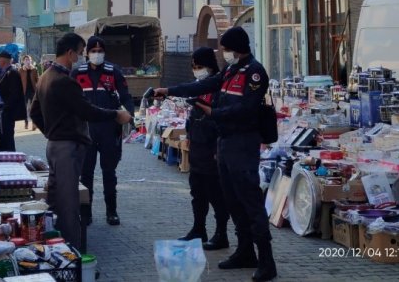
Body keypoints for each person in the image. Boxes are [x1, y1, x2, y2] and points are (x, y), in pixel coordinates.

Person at [153, 26, 276, 282]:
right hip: (225, 141)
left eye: (227, 49)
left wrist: (213, 113)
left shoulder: (254, 73)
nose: (224, 53)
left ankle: (266, 260)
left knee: (250, 201)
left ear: (237, 48)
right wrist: (170, 90)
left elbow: (246, 108)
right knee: (232, 200)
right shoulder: (231, 70)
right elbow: (207, 84)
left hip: (243, 142)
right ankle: (245, 251)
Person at [30, 33, 132, 251]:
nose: (80, 57)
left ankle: (57, 249)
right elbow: (87, 111)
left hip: (55, 145)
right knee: (68, 206)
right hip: (67, 146)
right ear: (70, 53)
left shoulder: (45, 76)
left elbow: (34, 112)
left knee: (56, 201)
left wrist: (50, 132)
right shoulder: (65, 80)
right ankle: (72, 255)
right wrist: (115, 114)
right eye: (79, 52)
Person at [72, 36, 134, 226]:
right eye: (93, 50)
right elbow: (69, 100)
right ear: (87, 52)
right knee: (86, 174)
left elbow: (126, 97)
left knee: (109, 173)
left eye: (100, 51)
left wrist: (129, 115)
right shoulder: (76, 73)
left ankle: (111, 212)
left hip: (109, 130)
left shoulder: (113, 72)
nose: (97, 54)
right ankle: (86, 212)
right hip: (86, 130)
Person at [175, 47, 230, 249]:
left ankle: (221, 233)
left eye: (201, 67)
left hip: (212, 147)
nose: (197, 71)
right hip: (197, 146)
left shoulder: (218, 86)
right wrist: (188, 135)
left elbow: (221, 117)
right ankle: (199, 229)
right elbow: (193, 114)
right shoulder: (199, 86)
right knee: (197, 192)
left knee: (216, 193)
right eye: (195, 67)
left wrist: (217, 146)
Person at [0, 50, 26, 151]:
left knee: (7, 137)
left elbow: (15, 94)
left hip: (6, 111)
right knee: (2, 137)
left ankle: (9, 158)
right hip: (1, 110)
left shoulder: (12, 73)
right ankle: (3, 156)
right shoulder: (2, 72)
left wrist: (5, 108)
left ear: (3, 61)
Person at [19, 54, 39, 130]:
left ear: (31, 61)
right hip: (24, 91)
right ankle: (26, 122)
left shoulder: (34, 69)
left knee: (33, 108)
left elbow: (37, 79)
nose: (27, 61)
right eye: (26, 60)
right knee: (24, 108)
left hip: (33, 91)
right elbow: (18, 81)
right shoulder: (21, 70)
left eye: (29, 60)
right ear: (23, 61)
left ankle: (34, 124)